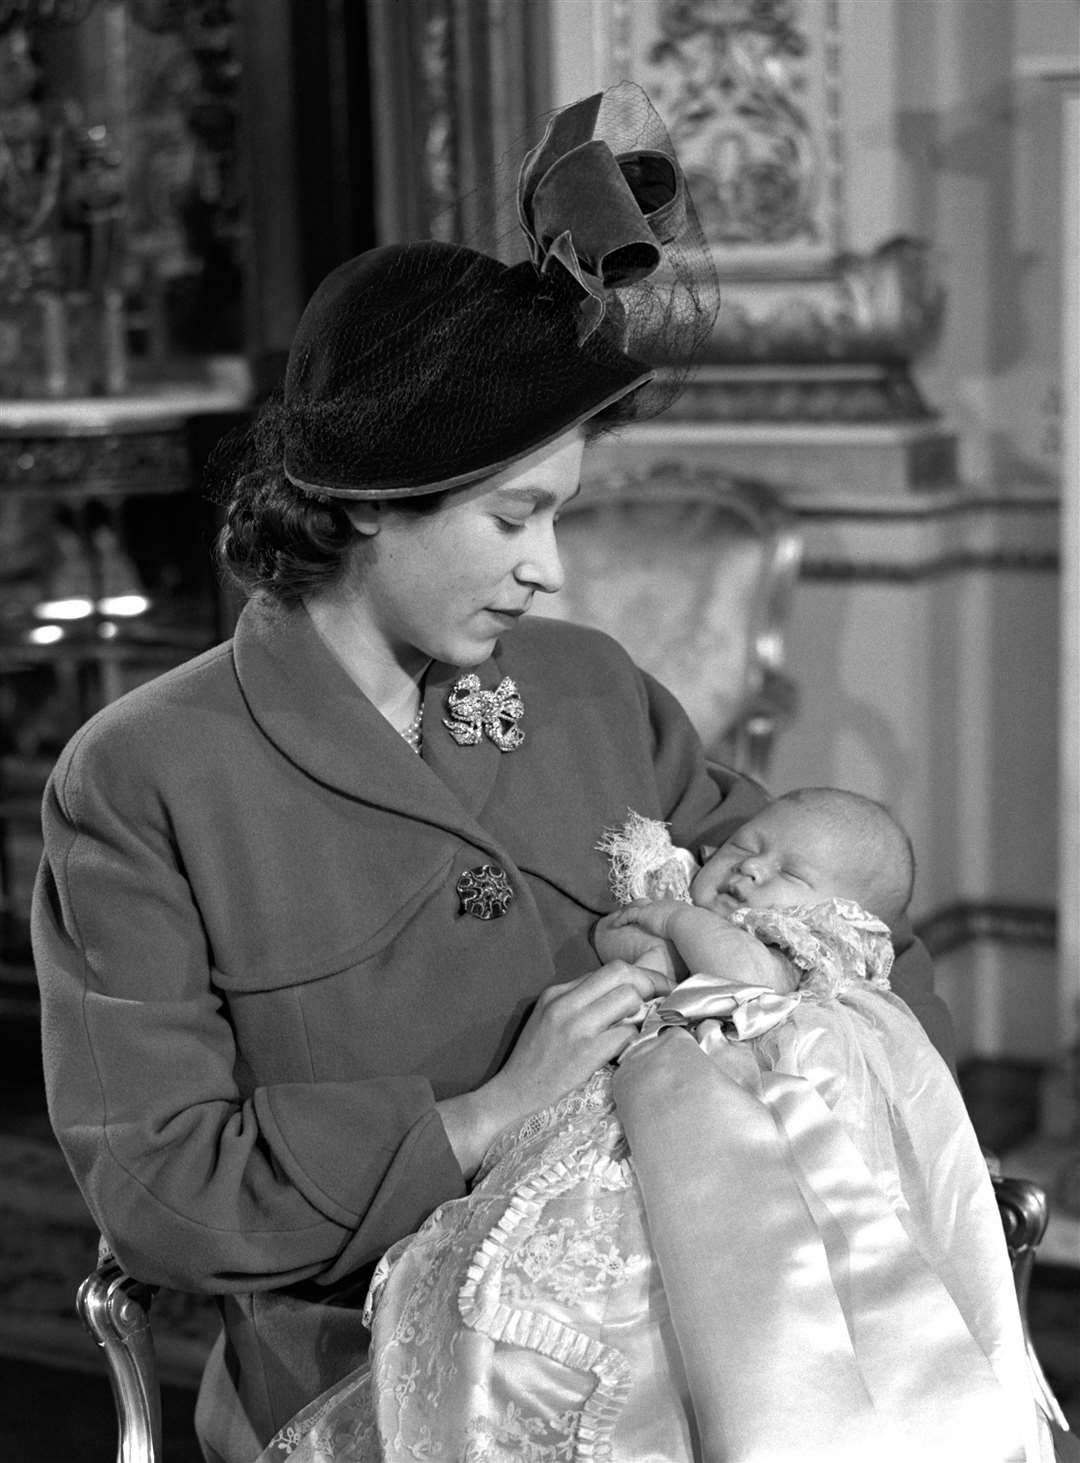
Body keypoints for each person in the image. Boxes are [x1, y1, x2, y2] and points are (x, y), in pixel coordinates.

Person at [31, 85, 952, 1463]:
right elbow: (163, 1185)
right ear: (365, 499)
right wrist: (477, 1118)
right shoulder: (143, 776)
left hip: (712, 1348)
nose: (552, 566)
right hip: (386, 1390)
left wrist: (814, 1036)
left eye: (561, 515)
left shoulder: (587, 686)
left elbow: (859, 943)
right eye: (515, 516)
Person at [255, 790, 1048, 1463]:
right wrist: (660, 926)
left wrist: (673, 916)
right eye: (744, 845)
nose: (750, 868)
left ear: (840, 910)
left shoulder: (803, 951)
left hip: (744, 1148)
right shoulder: (701, 908)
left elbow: (735, 976)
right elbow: (616, 940)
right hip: (629, 1118)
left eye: (789, 873)